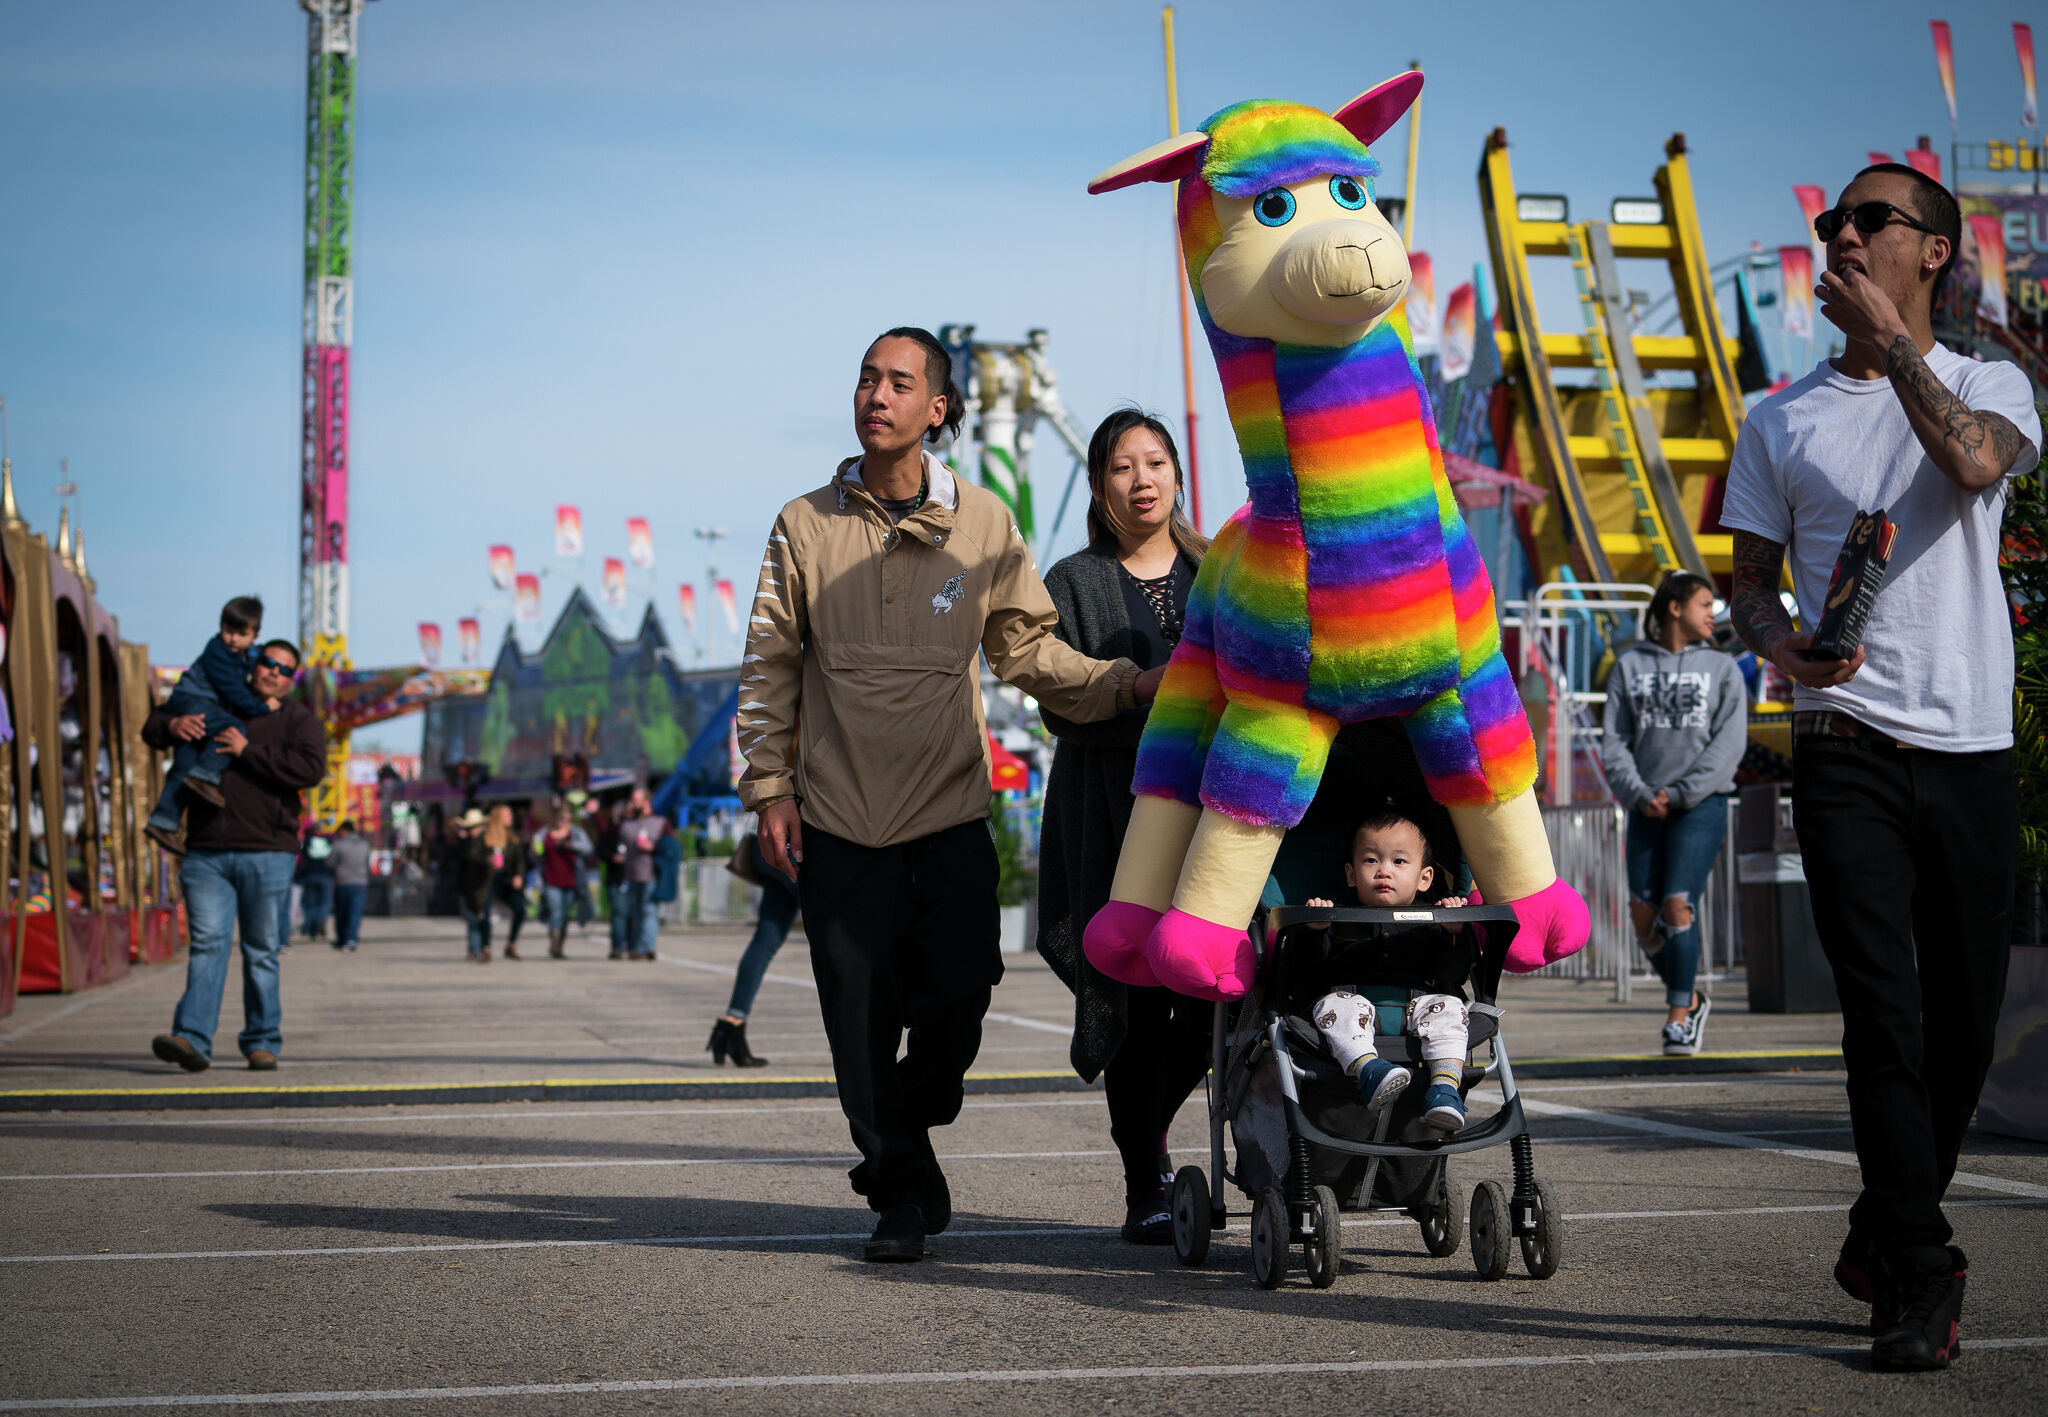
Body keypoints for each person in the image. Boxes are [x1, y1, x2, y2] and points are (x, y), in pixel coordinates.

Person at [739, 327, 1165, 1263]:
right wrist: (769, 785)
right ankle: (898, 1187)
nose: (875, 395)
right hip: (838, 819)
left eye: (898, 382)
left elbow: (1026, 648)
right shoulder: (802, 523)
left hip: (948, 812)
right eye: (865, 379)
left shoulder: (983, 523)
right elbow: (769, 660)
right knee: (857, 1023)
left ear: (937, 409)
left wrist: (1123, 685)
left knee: (959, 1000)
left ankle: (915, 1116)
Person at [1721, 162, 2041, 1372]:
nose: (1839, 237)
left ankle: (1876, 1220)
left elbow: (1969, 466)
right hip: (1844, 743)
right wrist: (1777, 647)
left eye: (1868, 222)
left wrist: (1893, 347)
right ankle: (1917, 1262)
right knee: (1882, 1015)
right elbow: (1750, 581)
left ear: (1934, 254)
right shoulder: (1776, 417)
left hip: (1967, 742)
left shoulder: (1988, 381)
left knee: (1961, 1024)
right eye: (1828, 223)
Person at [1035, 408, 1212, 1244]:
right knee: (1134, 999)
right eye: (1121, 467)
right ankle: (1145, 1177)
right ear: (1101, 486)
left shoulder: (1223, 566)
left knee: (1220, 991)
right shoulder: (1071, 579)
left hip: (1219, 813)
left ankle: (1160, 1139)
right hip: (1109, 811)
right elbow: (1058, 701)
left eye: (1156, 462)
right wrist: (1141, 686)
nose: (1142, 480)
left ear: (1178, 474)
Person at [147, 640, 325, 1072]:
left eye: (285, 670)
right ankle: (191, 1040)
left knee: (262, 950)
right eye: (268, 663)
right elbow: (152, 726)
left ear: (292, 679)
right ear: (254, 663)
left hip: (268, 850)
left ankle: (262, 1040)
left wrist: (249, 752)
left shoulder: (299, 720)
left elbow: (310, 769)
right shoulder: (218, 699)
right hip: (207, 850)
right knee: (206, 945)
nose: (274, 674)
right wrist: (173, 726)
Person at [1600, 571, 1748, 1056]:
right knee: (1642, 918)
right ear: (1675, 609)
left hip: (1701, 804)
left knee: (1676, 905)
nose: (1714, 614)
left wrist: (1681, 792)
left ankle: (1678, 1015)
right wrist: (1640, 793)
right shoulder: (1630, 666)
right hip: (1645, 806)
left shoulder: (1723, 669)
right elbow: (1616, 741)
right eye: (1706, 604)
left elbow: (1729, 744)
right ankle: (1694, 995)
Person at [1306, 807, 1471, 1133]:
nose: (1384, 871)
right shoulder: (1337, 916)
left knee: (1451, 1008)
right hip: (1354, 1006)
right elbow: (1306, 976)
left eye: (1399, 861)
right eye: (1371, 861)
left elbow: (1453, 974)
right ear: (1352, 874)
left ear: (1425, 878)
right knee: (1333, 1005)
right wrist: (1315, 931)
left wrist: (1455, 934)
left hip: (1420, 1005)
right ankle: (1369, 1070)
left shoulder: (1434, 919)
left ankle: (1444, 1088)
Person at [143, 595, 271, 855]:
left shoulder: (245, 656)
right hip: (195, 702)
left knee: (184, 765)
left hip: (199, 706)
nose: (233, 639)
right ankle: (206, 776)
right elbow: (232, 690)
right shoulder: (218, 652)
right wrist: (260, 708)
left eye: (241, 634)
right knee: (233, 727)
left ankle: (163, 821)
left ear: (254, 636)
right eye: (228, 631)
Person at [706, 833, 799, 1068]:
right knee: (839, 939)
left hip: (768, 846)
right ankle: (852, 1036)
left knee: (765, 941)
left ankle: (731, 1027)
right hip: (796, 848)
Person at [611, 788, 668, 961]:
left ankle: (646, 948)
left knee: (648, 912)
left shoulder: (660, 822)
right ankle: (638, 947)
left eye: (635, 800)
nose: (632, 803)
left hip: (651, 875)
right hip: (630, 875)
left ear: (646, 802)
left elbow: (670, 847)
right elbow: (611, 836)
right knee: (635, 914)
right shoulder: (626, 823)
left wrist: (654, 848)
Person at [535, 801, 592, 958]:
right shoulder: (544, 833)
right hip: (551, 879)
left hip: (571, 880)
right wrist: (536, 849)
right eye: (560, 817)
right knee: (556, 912)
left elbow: (588, 848)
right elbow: (535, 853)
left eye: (566, 818)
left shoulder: (576, 833)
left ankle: (560, 945)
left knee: (565, 914)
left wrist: (571, 844)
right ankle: (554, 945)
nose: (562, 821)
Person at [450, 807, 498, 961]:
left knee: (484, 918)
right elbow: (459, 859)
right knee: (471, 920)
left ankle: (485, 947)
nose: (472, 831)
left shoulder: (488, 841)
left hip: (484, 886)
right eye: (469, 828)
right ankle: (473, 950)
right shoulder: (463, 844)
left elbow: (494, 860)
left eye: (475, 827)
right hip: (467, 886)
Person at [486, 804, 532, 959]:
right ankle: (485, 947)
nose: (510, 818)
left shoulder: (512, 837)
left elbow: (520, 860)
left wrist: (518, 875)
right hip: (490, 880)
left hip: (507, 880)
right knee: (485, 914)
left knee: (520, 910)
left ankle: (511, 944)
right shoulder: (487, 836)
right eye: (507, 815)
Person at [329, 819, 370, 953]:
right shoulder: (364, 844)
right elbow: (367, 862)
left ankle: (342, 939)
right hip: (360, 883)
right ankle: (351, 939)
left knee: (342, 912)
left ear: (344, 830)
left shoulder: (339, 844)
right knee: (354, 912)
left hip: (343, 882)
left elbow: (330, 862)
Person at [295, 832, 334, 940]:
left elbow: (302, 860)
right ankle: (321, 920)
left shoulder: (308, 842)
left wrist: (300, 874)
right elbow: (333, 859)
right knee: (324, 903)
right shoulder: (329, 842)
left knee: (310, 904)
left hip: (310, 875)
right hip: (325, 875)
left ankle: (310, 928)